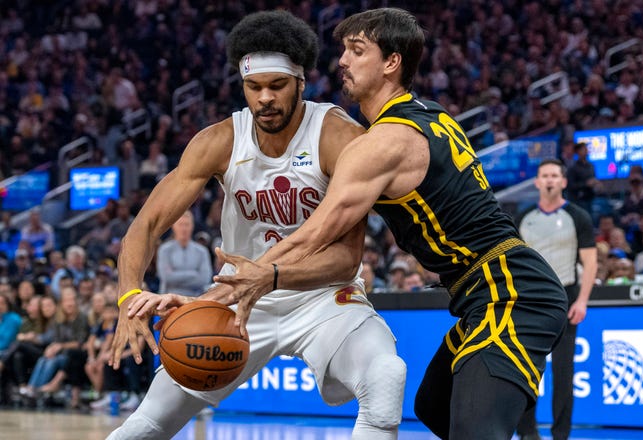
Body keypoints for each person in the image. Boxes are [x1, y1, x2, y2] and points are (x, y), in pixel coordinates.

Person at [190, 9, 568, 440]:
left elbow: (317, 231)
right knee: (433, 405)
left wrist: (242, 283)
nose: (343, 62)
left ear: (392, 62)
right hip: (485, 292)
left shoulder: (384, 143)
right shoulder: (432, 114)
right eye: (343, 51)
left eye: (357, 50)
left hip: (510, 292)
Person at [108, 10, 405, 440]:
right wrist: (128, 297)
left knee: (385, 375)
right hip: (238, 298)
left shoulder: (339, 137)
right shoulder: (221, 140)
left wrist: (270, 275)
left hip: (319, 299)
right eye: (254, 87)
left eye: (277, 85)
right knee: (146, 424)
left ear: (301, 83)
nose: (264, 97)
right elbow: (147, 224)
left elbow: (345, 259)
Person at [515, 159, 597, 440]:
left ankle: (561, 434)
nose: (549, 180)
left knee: (563, 373)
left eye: (554, 175)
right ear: (537, 182)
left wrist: (583, 301)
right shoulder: (523, 217)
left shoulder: (578, 216)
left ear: (563, 181)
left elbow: (590, 262)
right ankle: (527, 433)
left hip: (566, 297)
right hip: (529, 301)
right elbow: (513, 262)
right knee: (525, 371)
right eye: (544, 175)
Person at [156, 210, 213, 297]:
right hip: (169, 298)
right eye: (180, 225)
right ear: (173, 226)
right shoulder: (165, 250)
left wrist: (175, 275)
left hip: (195, 299)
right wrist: (193, 274)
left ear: (192, 226)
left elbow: (204, 279)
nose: (184, 229)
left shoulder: (202, 251)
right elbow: (166, 277)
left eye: (187, 225)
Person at [566, 141, 599, 218]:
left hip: (591, 197)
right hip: (579, 200)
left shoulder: (591, 166)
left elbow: (593, 178)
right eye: (583, 149)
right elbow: (571, 185)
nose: (586, 151)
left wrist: (596, 184)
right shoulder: (573, 168)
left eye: (586, 149)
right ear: (578, 152)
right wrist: (585, 184)